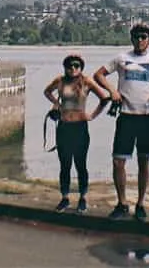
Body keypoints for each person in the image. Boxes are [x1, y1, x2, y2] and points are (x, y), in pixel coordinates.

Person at [94, 22, 149, 221]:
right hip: (126, 117)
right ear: (132, 39)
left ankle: (140, 203)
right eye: (136, 37)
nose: (140, 40)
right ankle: (121, 203)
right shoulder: (122, 58)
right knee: (118, 161)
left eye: (143, 37)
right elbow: (98, 75)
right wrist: (112, 91)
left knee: (143, 161)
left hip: (147, 117)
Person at [42, 53, 110, 212]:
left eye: (76, 66)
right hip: (64, 127)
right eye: (70, 65)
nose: (73, 68)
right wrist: (56, 104)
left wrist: (92, 115)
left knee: (81, 164)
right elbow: (47, 91)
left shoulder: (86, 82)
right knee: (64, 165)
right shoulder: (59, 81)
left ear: (81, 67)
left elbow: (104, 99)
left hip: (80, 127)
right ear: (65, 67)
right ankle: (65, 197)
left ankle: (83, 197)